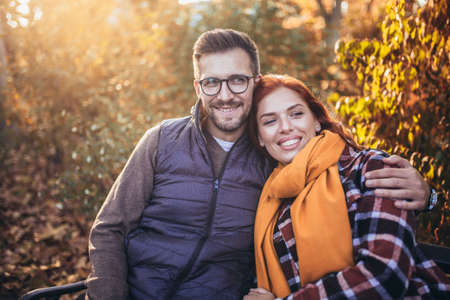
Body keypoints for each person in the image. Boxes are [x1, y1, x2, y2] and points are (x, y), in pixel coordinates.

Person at [86, 29, 433, 299]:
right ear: (198, 87)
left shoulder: (274, 162)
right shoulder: (162, 141)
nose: (225, 95)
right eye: (211, 82)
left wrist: (427, 195)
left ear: (254, 81)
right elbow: (109, 229)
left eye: (237, 80)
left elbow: (342, 174)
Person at [244, 74, 449, 300]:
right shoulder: (270, 202)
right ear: (260, 137)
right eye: (270, 121)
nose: (285, 127)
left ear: (316, 120)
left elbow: (384, 275)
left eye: (296, 114)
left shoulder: (369, 168)